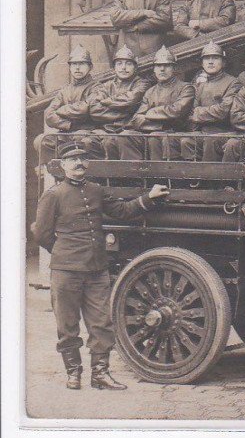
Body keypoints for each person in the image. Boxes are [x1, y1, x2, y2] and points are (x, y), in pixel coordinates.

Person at [32, 143, 170, 390]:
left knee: (101, 323)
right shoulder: (53, 195)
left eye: (83, 158)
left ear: (88, 164)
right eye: (72, 159)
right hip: (66, 271)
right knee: (67, 324)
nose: (79, 163)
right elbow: (41, 234)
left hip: (97, 270)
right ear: (63, 165)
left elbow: (123, 210)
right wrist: (65, 252)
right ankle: (73, 373)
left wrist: (147, 198)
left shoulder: (96, 190)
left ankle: (100, 375)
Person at [120, 46, 195, 160]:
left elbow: (176, 112)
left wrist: (151, 112)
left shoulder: (186, 88)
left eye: (167, 65)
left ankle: (159, 175)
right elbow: (136, 119)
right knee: (125, 135)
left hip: (176, 134)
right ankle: (135, 172)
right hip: (152, 132)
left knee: (155, 137)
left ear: (174, 68)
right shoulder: (150, 91)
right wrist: (159, 123)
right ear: (154, 69)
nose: (162, 69)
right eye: (158, 66)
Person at [34, 45, 102, 164]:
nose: (77, 68)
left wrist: (62, 110)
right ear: (70, 67)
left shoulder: (97, 87)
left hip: (88, 133)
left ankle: (84, 173)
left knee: (81, 140)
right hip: (66, 132)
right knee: (41, 140)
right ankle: (59, 172)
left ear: (90, 67)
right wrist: (69, 124)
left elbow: (84, 109)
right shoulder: (65, 90)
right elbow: (49, 115)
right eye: (74, 64)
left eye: (82, 63)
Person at [87, 44, 154, 159]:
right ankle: (99, 175)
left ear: (135, 67)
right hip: (106, 131)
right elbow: (94, 109)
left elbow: (131, 99)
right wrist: (125, 111)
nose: (123, 67)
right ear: (114, 68)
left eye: (128, 63)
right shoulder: (105, 86)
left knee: (118, 140)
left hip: (131, 131)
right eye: (119, 63)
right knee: (87, 141)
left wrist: (106, 102)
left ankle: (130, 176)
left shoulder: (142, 84)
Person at [180, 40, 242, 161]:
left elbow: (223, 111)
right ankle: (194, 178)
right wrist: (199, 113)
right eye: (207, 58)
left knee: (210, 141)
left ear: (223, 62)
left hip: (225, 132)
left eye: (215, 58)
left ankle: (211, 179)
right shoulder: (199, 84)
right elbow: (190, 111)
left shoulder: (233, 83)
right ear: (202, 63)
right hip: (203, 132)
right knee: (186, 141)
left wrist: (198, 113)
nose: (210, 62)